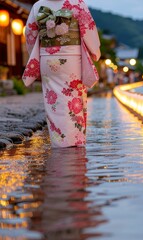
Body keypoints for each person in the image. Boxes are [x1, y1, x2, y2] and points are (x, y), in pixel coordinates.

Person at [22, 0, 101, 148]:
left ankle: (59, 142)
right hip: (71, 60)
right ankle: (75, 143)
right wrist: (95, 52)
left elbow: (30, 34)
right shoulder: (77, 3)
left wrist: (36, 53)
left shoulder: (38, 6)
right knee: (75, 99)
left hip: (47, 59)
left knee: (54, 102)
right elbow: (89, 30)